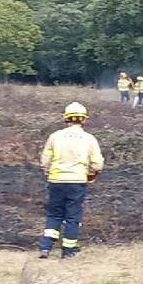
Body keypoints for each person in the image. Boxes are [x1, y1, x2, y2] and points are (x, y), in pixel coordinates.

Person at [38, 102, 104, 259]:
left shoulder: (55, 136)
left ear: (66, 118)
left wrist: (49, 172)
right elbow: (97, 164)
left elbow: (45, 160)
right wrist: (92, 174)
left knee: (54, 214)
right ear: (84, 120)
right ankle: (68, 250)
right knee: (73, 216)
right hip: (77, 182)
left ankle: (45, 247)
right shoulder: (89, 139)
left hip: (55, 181)